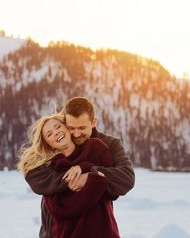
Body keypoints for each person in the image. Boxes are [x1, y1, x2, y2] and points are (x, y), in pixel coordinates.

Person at [20, 97, 135, 237]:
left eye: (82, 128)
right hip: (56, 231)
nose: (76, 133)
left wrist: (90, 175)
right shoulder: (52, 150)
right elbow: (35, 177)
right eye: (71, 128)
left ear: (93, 123)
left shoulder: (108, 145)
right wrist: (72, 177)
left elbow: (126, 178)